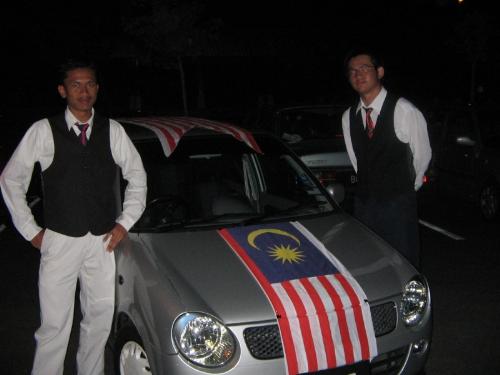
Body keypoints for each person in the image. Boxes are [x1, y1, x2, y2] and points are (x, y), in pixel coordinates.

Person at [0, 59, 147, 374]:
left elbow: (138, 176)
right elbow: (11, 179)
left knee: (99, 320)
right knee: (54, 326)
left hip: (102, 242)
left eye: (90, 84)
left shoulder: (113, 130)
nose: (84, 91)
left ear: (97, 88)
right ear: (62, 90)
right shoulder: (43, 130)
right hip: (60, 240)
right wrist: (31, 231)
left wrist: (124, 223)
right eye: (76, 84)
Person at [341, 48, 431, 269]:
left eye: (364, 68)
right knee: (370, 265)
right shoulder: (348, 116)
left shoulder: (403, 109)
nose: (358, 74)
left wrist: (406, 189)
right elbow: (357, 160)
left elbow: (423, 156)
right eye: (352, 71)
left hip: (397, 204)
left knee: (403, 266)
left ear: (379, 72)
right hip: (364, 206)